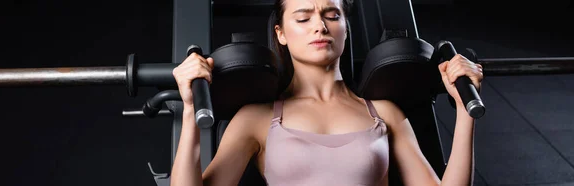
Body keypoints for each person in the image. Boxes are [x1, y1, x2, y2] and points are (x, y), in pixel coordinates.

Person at [170, 0, 484, 185]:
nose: (319, 26)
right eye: (303, 18)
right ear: (280, 34)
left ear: (345, 27)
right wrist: (189, 110)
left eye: (332, 15)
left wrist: (463, 111)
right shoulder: (257, 119)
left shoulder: (384, 113)